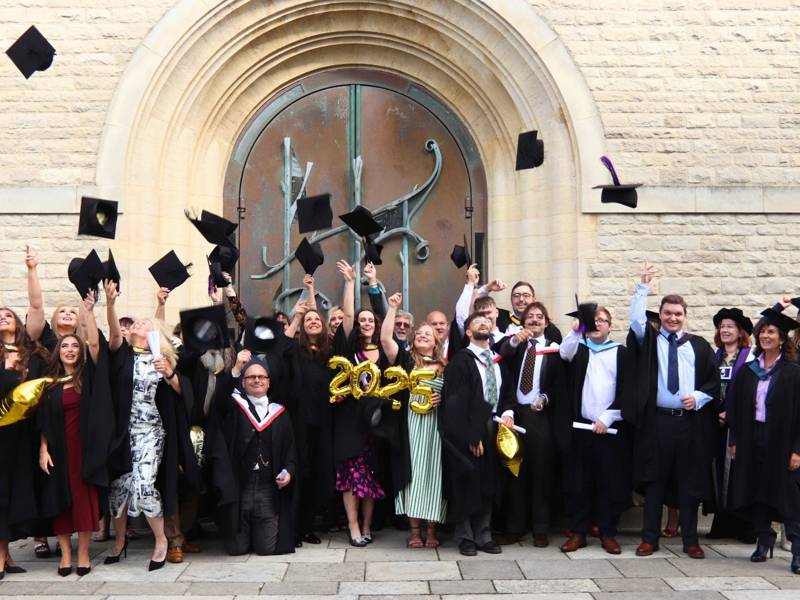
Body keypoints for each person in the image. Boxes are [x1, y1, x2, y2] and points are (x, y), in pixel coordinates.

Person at [625, 262, 720, 559]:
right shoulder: (650, 342)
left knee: (688, 484)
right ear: (661, 315)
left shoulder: (699, 346)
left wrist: (699, 397)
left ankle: (690, 540)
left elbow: (713, 382)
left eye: (678, 314)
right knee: (655, 482)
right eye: (667, 313)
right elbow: (636, 322)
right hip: (658, 423)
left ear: (685, 316)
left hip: (690, 424)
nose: (672, 318)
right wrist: (643, 287)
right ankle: (649, 539)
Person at [104, 280, 198, 572]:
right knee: (119, 487)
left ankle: (161, 540)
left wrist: (169, 373)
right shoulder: (122, 355)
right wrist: (110, 304)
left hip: (151, 433)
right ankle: (120, 542)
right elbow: (114, 334)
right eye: (136, 323)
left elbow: (184, 393)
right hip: (123, 434)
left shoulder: (162, 359)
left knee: (145, 487)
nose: (138, 324)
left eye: (144, 323)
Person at [37, 291, 112, 576]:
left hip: (84, 451)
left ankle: (83, 554)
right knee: (61, 503)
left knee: (83, 503)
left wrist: (88, 312)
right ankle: (65, 554)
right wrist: (43, 449)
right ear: (58, 351)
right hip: (58, 450)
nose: (70, 350)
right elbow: (44, 420)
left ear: (80, 352)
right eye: (65, 346)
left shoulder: (87, 378)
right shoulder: (50, 383)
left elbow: (95, 344)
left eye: (74, 347)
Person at [728, 308, 800, 573]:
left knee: (789, 496)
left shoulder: (793, 372)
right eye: (762, 332)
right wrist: (735, 441)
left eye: (771, 332)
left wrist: (797, 450)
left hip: (783, 441)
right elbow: (736, 409)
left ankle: (797, 549)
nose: (765, 336)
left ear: (781, 338)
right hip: (752, 437)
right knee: (757, 490)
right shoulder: (749, 371)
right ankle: (764, 539)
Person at [439, 312, 515, 557]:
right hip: (469, 429)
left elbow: (507, 393)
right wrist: (472, 435)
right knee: (466, 482)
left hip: (494, 427)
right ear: (469, 333)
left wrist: (508, 413)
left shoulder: (497, 360)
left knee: (488, 483)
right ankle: (465, 536)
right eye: (477, 322)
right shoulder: (461, 361)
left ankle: (484, 534)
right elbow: (455, 402)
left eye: (487, 321)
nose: (484, 323)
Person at [557, 306, 630, 555]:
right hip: (581, 427)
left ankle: (608, 533)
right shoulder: (579, 348)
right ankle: (579, 532)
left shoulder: (621, 353)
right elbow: (563, 353)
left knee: (608, 482)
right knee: (580, 482)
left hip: (609, 429)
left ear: (610, 325)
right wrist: (577, 329)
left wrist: (608, 417)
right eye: (593, 320)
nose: (597, 324)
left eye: (602, 320)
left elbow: (627, 391)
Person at [209, 354, 298, 555]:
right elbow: (220, 401)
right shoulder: (234, 407)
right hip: (241, 486)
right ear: (243, 382)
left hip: (268, 486)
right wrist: (235, 369)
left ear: (268, 382)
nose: (257, 380)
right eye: (251, 377)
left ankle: (256, 533)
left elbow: (290, 450)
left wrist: (288, 471)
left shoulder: (280, 413)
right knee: (237, 549)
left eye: (261, 377)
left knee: (266, 549)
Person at [331, 260, 392, 547]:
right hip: (350, 419)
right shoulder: (349, 350)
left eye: (370, 320)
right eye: (362, 320)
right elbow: (346, 315)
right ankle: (353, 526)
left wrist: (374, 283)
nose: (366, 323)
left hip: (376, 422)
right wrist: (350, 282)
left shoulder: (385, 351)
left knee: (370, 474)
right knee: (351, 474)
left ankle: (367, 525)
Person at [381, 292, 447, 548]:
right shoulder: (406, 361)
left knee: (434, 476)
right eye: (418, 333)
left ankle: (432, 530)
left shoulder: (445, 367)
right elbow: (385, 339)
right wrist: (392, 308)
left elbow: (456, 396)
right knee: (414, 475)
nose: (422, 335)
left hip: (435, 428)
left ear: (436, 340)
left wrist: (443, 399)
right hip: (410, 426)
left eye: (427, 334)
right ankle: (415, 531)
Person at [496, 301, 564, 547]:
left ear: (546, 322)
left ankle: (540, 528)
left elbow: (559, 384)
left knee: (541, 473)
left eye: (539, 316)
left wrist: (545, 398)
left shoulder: (554, 349)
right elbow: (501, 355)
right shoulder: (515, 346)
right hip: (514, 415)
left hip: (539, 417)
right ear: (523, 322)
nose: (535, 320)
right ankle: (515, 527)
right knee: (514, 472)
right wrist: (516, 340)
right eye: (530, 316)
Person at [284, 299, 334, 545]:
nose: (313, 322)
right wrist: (297, 317)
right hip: (300, 420)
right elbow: (282, 345)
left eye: (317, 319)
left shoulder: (330, 352)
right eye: (308, 320)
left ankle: (308, 526)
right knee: (300, 472)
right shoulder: (295, 350)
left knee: (317, 471)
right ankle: (293, 528)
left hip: (323, 419)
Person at [708, 308, 754, 541]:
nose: (725, 330)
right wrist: (714, 414)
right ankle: (723, 522)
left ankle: (745, 525)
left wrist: (731, 413)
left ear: (740, 331)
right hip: (716, 424)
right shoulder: (714, 357)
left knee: (739, 471)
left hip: (740, 425)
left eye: (730, 327)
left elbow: (752, 391)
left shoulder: (750, 357)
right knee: (719, 472)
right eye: (722, 327)